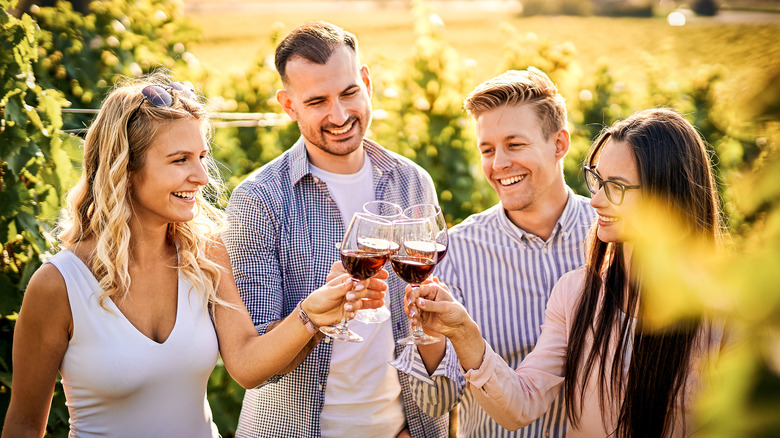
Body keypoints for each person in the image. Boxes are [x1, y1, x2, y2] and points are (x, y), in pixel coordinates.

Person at [1, 74, 384, 438]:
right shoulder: (57, 285)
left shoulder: (205, 255)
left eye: (201, 156)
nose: (201, 175)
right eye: (180, 159)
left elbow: (248, 366)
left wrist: (313, 315)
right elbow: (22, 426)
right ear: (125, 170)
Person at [408, 108, 726, 437]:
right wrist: (462, 331)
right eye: (597, 181)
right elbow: (521, 403)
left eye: (615, 187)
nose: (596, 200)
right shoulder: (576, 294)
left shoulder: (728, 312)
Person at [222, 21, 454, 437]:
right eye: (317, 101)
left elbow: (432, 324)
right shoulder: (257, 201)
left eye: (349, 92)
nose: (340, 115)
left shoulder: (413, 181)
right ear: (288, 105)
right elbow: (252, 365)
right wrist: (316, 316)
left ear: (366, 82)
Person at [391, 68, 596, 437]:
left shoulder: (611, 235)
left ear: (559, 144)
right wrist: (434, 338)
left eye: (515, 144)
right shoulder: (457, 252)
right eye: (487, 150)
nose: (499, 164)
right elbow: (435, 404)